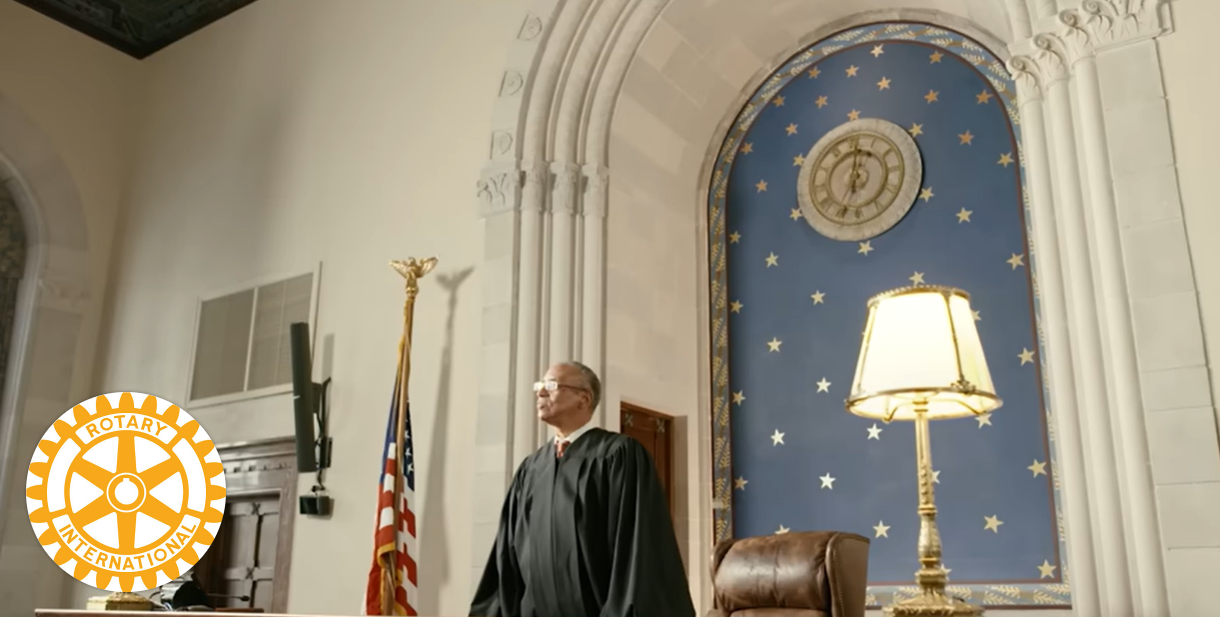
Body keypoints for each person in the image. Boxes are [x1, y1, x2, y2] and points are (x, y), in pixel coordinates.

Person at [470, 361, 696, 617]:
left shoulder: (618, 456)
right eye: (539, 386)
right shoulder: (531, 469)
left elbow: (637, 549)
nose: (540, 392)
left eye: (551, 385)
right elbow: (507, 558)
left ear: (584, 398)